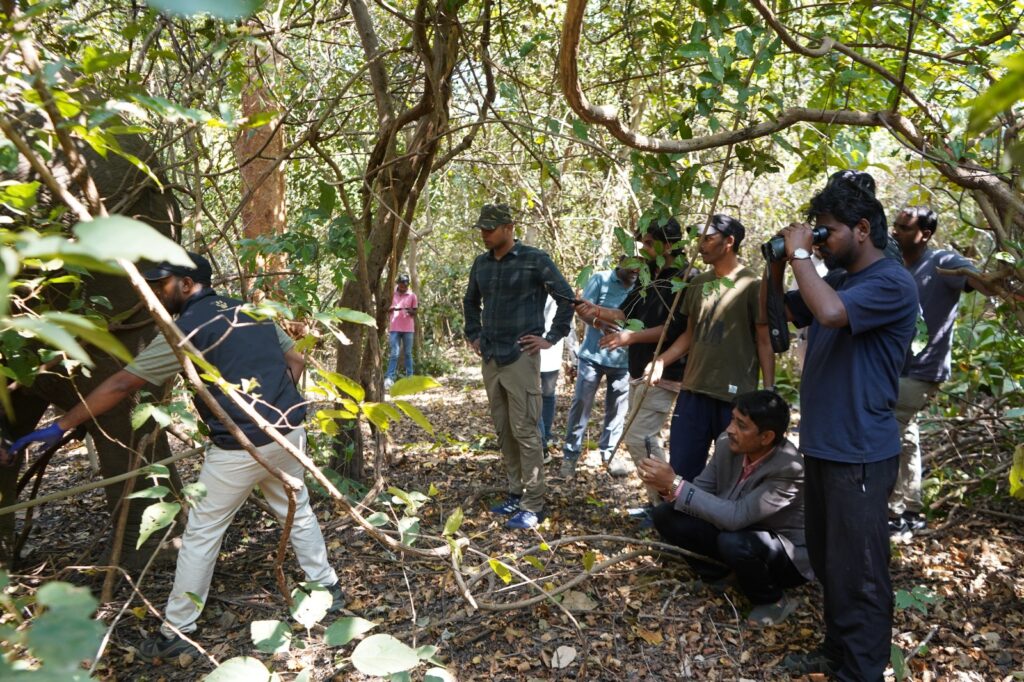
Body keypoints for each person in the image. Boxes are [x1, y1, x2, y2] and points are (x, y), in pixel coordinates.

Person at [10, 252, 344, 661]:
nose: (154, 291)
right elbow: (294, 359)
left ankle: (177, 629)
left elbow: (120, 383)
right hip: (289, 430)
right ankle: (327, 585)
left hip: (239, 447)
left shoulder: (185, 329)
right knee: (297, 506)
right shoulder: (249, 311)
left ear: (187, 284)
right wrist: (270, 403)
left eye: (161, 283)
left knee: (202, 534)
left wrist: (59, 426)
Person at [765, 171, 918, 680]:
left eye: (826, 231)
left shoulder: (891, 283)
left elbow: (829, 315)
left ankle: (864, 670)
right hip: (827, 445)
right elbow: (781, 318)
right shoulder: (840, 279)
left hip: (860, 452)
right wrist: (777, 264)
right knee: (833, 564)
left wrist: (802, 256)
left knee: (863, 573)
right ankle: (838, 653)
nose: (820, 241)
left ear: (861, 229)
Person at [640, 390, 812, 627]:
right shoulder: (727, 445)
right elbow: (701, 491)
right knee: (666, 515)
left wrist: (676, 484)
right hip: (738, 534)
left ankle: (772, 600)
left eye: (741, 425)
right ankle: (724, 576)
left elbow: (735, 517)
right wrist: (667, 490)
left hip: (785, 556)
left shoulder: (788, 469)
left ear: (766, 437)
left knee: (734, 541)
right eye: (732, 419)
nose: (730, 429)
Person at [463, 204, 575, 530]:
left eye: (490, 228)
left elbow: (566, 297)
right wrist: (473, 333)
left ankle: (534, 503)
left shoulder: (534, 259)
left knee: (526, 430)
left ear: (509, 228)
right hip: (491, 359)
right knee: (504, 429)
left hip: (521, 358)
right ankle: (515, 491)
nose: (484, 234)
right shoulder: (481, 264)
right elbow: (471, 301)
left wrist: (551, 338)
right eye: (481, 229)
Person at [888, 207, 995, 536]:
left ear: (925, 234)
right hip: (899, 368)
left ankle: (892, 513)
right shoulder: (898, 265)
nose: (896, 232)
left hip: (921, 370)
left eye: (905, 228)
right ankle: (912, 510)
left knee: (888, 434)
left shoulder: (941, 262)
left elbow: (981, 282)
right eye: (896, 226)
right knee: (906, 439)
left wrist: (985, 272)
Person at [574, 216, 690, 512]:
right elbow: (626, 312)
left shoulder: (685, 278)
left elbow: (673, 329)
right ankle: (659, 506)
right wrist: (595, 310)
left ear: (668, 245)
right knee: (647, 437)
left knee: (638, 437)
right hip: (639, 369)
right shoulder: (648, 274)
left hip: (665, 370)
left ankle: (668, 503)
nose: (643, 248)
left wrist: (630, 338)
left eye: (649, 243)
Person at [647, 214, 775, 481]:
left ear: (729, 242)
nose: (700, 245)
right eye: (699, 239)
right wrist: (661, 360)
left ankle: (722, 522)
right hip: (693, 390)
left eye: (708, 238)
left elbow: (764, 339)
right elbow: (690, 335)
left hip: (734, 397)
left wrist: (769, 391)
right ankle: (679, 519)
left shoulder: (752, 285)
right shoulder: (697, 283)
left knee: (730, 473)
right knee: (682, 467)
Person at [559, 258, 639, 478]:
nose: (636, 269)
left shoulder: (641, 286)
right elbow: (582, 308)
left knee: (617, 409)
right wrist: (599, 323)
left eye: (641, 264)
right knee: (581, 405)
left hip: (623, 361)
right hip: (593, 356)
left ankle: (610, 453)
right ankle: (570, 455)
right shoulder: (601, 279)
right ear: (621, 261)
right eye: (633, 263)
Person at [537, 294, 576, 458]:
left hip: (548, 352)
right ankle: (542, 439)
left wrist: (575, 357)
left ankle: (543, 439)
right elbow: (570, 328)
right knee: (541, 396)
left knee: (544, 396)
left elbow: (569, 327)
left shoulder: (560, 296)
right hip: (535, 353)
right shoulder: (560, 294)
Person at [385, 273, 417, 390]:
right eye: (402, 285)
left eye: (406, 285)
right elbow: (385, 306)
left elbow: (415, 312)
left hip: (408, 328)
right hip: (394, 327)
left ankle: (410, 378)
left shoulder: (412, 295)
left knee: (408, 353)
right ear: (398, 284)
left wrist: (409, 311)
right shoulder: (391, 293)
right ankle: (389, 378)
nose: (404, 287)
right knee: (394, 353)